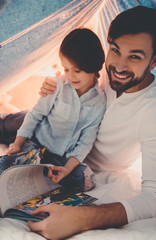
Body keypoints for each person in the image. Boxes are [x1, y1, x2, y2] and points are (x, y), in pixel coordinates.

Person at [0, 5, 156, 240]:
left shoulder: (153, 110)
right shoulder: (106, 70)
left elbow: (155, 196)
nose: (120, 66)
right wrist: (54, 84)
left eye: (135, 56)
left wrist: (83, 217)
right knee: (13, 123)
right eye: (115, 50)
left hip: (70, 155)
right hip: (54, 124)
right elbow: (75, 72)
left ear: (155, 61)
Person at [4, 28, 106, 193]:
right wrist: (17, 144)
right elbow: (35, 115)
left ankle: (44, 172)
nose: (71, 76)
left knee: (85, 180)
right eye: (66, 69)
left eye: (77, 71)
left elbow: (86, 141)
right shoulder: (57, 85)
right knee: (18, 157)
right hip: (36, 144)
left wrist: (67, 168)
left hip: (60, 158)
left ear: (94, 66)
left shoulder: (99, 103)